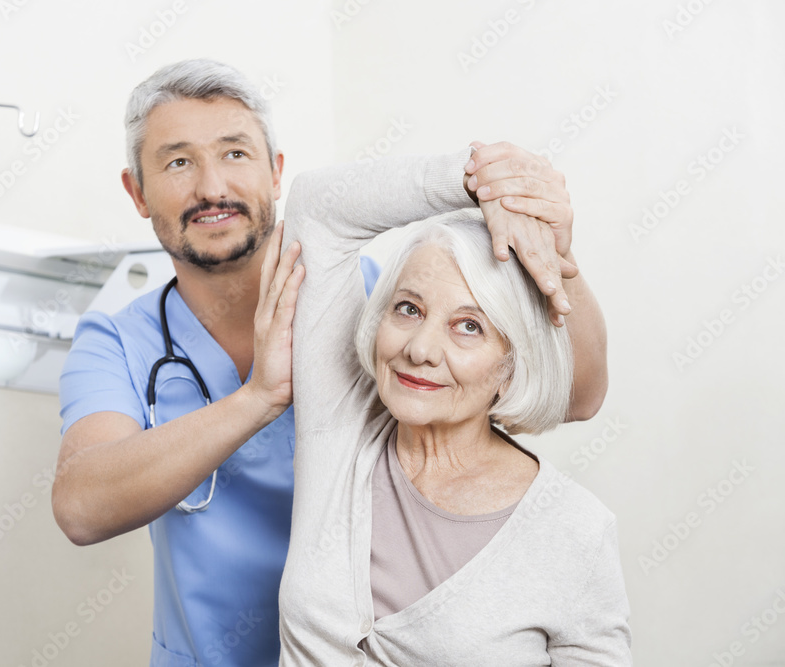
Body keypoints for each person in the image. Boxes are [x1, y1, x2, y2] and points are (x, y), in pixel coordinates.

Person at [52, 58, 607, 666]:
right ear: (137, 191)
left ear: (275, 172)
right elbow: (81, 508)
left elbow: (573, 395)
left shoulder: (385, 310)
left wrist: (526, 214)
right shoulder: (117, 342)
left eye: (235, 153)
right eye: (178, 162)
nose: (212, 187)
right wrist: (257, 398)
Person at [274, 153, 630, 664]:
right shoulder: (341, 425)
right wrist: (485, 185)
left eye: (469, 326)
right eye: (408, 308)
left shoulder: (575, 530)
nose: (420, 348)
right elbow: (317, 207)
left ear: (512, 364)